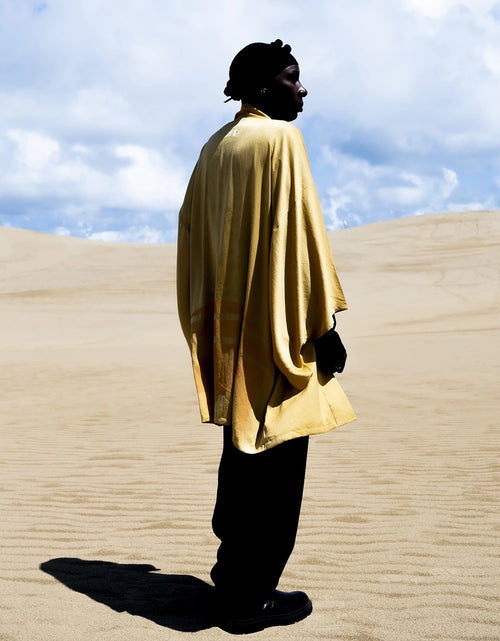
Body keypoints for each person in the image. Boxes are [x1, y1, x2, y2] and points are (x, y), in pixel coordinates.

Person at [177, 39, 356, 634]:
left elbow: (192, 235)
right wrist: (322, 325)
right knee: (276, 464)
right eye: (290, 77)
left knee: (242, 455)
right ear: (260, 87)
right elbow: (300, 238)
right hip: (276, 329)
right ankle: (250, 600)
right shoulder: (280, 139)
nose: (302, 89)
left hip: (228, 333)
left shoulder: (215, 146)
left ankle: (231, 580)